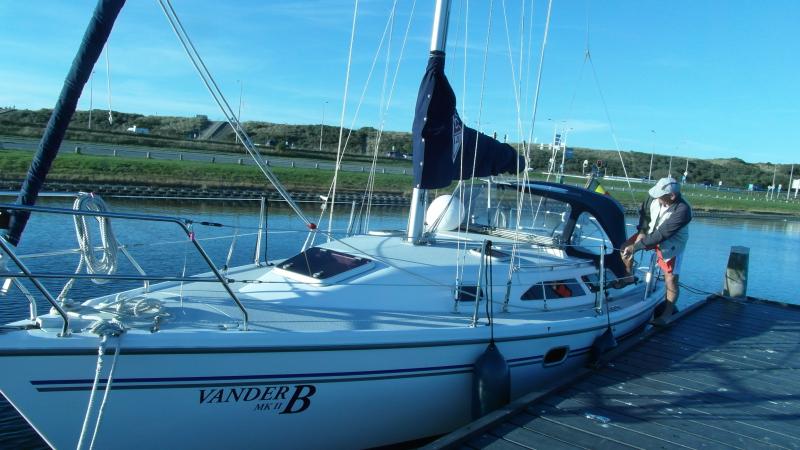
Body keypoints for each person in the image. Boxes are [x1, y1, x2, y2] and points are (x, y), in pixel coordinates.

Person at [621, 177, 692, 325]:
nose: (656, 197)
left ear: (672, 196)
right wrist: (641, 231)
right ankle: (628, 276)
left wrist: (637, 246)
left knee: (670, 278)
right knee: (624, 248)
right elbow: (645, 215)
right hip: (651, 232)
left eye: (660, 196)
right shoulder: (653, 197)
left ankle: (666, 315)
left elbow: (662, 234)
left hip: (672, 242)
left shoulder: (683, 210)